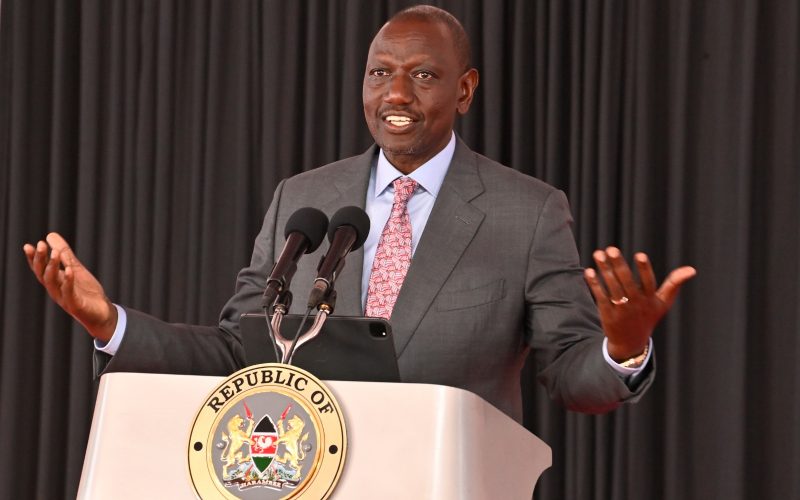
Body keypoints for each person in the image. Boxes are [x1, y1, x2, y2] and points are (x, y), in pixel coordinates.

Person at [23, 5, 695, 422]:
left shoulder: (528, 213)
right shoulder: (303, 199)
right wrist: (110, 324)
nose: (396, 93)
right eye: (380, 73)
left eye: (423, 76)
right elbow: (239, 353)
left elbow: (573, 379)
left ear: (464, 90)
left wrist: (622, 348)